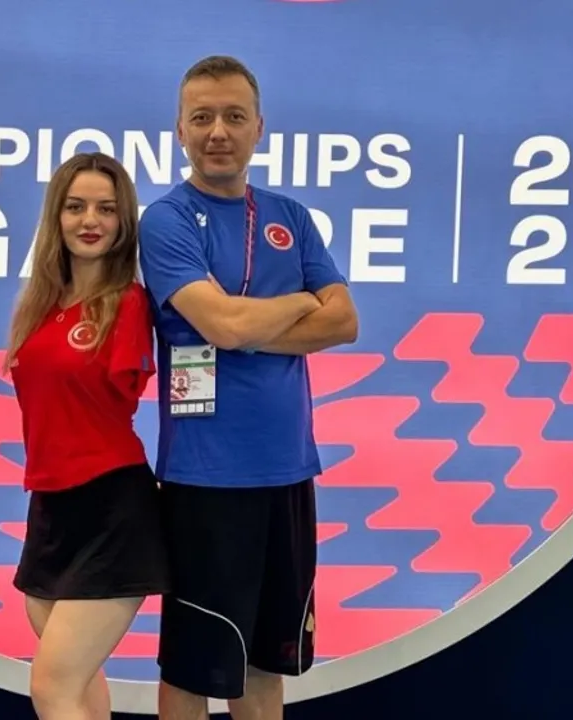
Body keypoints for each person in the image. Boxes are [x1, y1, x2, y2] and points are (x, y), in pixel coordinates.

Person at [138, 56, 360, 720]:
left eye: (234, 116)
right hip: (206, 477)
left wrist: (243, 325)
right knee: (193, 669)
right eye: (202, 117)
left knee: (268, 663)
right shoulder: (167, 220)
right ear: (179, 128)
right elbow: (224, 325)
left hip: (287, 471)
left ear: (259, 127)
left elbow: (344, 322)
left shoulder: (291, 216)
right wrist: (298, 302)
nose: (218, 132)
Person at [5, 151, 168, 719]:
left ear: (124, 221)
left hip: (111, 507)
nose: (90, 220)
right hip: (51, 505)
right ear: (57, 215)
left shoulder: (128, 304)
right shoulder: (40, 307)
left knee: (52, 688)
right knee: (76, 689)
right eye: (76, 207)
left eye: (106, 208)